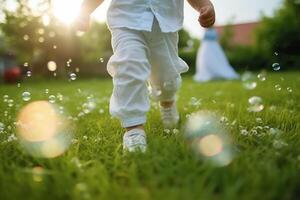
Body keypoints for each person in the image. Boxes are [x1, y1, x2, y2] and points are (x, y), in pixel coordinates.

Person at [76, 0, 215, 152]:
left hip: (165, 22)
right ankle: (134, 129)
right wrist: (85, 10)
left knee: (166, 76)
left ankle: (167, 102)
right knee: (128, 65)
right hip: (125, 19)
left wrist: (204, 5)